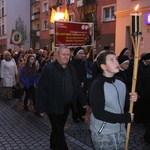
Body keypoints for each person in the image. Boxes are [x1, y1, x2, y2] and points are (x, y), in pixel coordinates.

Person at [36, 45, 88, 150]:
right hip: (53, 106)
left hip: (66, 106)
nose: (66, 57)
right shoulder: (49, 68)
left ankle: (53, 145)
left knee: (57, 129)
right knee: (59, 131)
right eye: (63, 54)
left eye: (68, 54)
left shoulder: (71, 68)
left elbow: (76, 86)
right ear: (57, 55)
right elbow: (41, 88)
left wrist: (83, 101)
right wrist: (40, 108)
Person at [89, 50, 137, 150]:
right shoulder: (97, 85)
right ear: (103, 66)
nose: (116, 62)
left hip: (120, 129)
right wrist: (123, 118)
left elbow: (125, 104)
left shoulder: (120, 82)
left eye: (116, 59)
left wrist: (133, 98)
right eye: (111, 60)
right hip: (104, 132)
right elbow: (99, 113)